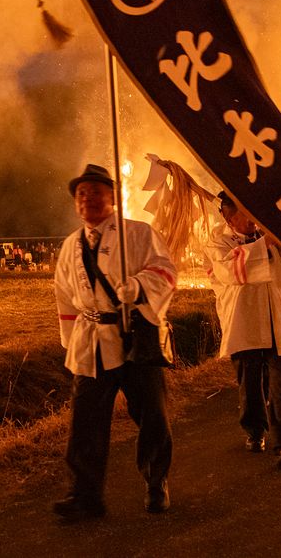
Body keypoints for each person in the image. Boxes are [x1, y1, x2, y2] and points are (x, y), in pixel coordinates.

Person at [53, 163, 177, 521]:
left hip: (135, 338)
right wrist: (69, 344)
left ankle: (156, 482)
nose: (88, 198)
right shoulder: (69, 246)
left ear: (112, 195)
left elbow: (166, 271)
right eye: (82, 193)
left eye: (95, 191)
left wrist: (139, 286)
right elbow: (63, 296)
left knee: (152, 415)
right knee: (86, 423)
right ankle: (85, 495)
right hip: (90, 343)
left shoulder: (138, 233)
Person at [205, 191, 281, 468]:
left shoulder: (272, 233)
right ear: (227, 215)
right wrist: (265, 246)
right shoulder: (217, 241)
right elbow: (229, 271)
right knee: (249, 382)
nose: (252, 220)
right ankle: (255, 430)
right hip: (243, 321)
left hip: (278, 319)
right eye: (244, 213)